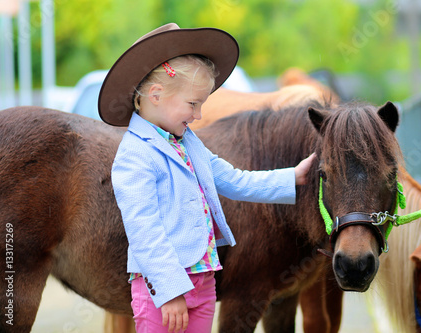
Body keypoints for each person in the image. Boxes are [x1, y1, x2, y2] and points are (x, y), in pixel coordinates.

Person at [98, 23, 316, 333]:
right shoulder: (135, 155)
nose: (199, 115)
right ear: (156, 95)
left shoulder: (187, 141)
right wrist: (170, 290)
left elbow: (233, 180)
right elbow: (144, 231)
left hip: (203, 283)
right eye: (193, 104)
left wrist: (290, 178)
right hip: (164, 289)